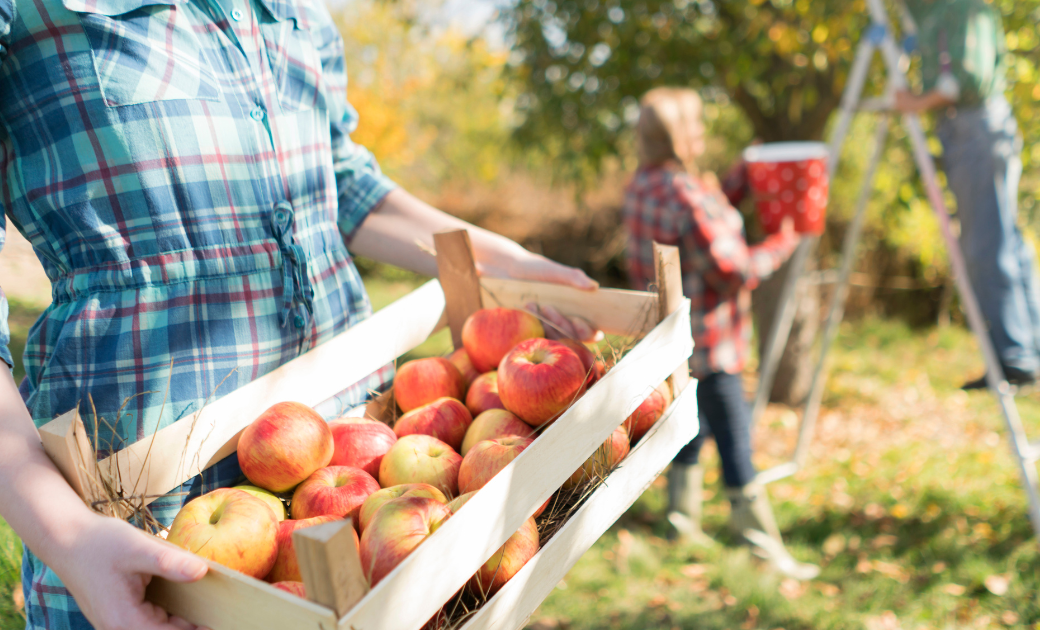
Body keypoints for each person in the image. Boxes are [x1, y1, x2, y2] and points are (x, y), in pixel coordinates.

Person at [0, 0, 596, 626]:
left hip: (356, 466)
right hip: (149, 517)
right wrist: (67, 535)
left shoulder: (299, 11)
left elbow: (341, 182)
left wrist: (501, 260)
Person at [622, 87, 817, 580]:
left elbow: (695, 219)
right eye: (698, 125)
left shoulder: (643, 186)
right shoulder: (688, 195)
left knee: (693, 425)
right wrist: (781, 242)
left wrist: (736, 182)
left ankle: (680, 521)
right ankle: (761, 546)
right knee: (735, 439)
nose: (704, 132)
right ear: (681, 136)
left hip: (669, 339)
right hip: (711, 341)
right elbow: (733, 269)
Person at [894, 0, 1040, 389]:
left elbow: (965, 79)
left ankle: (1015, 356)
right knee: (1007, 239)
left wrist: (916, 103)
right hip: (985, 127)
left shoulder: (961, 9)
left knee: (986, 243)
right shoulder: (959, 10)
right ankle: (1039, 351)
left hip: (974, 128)